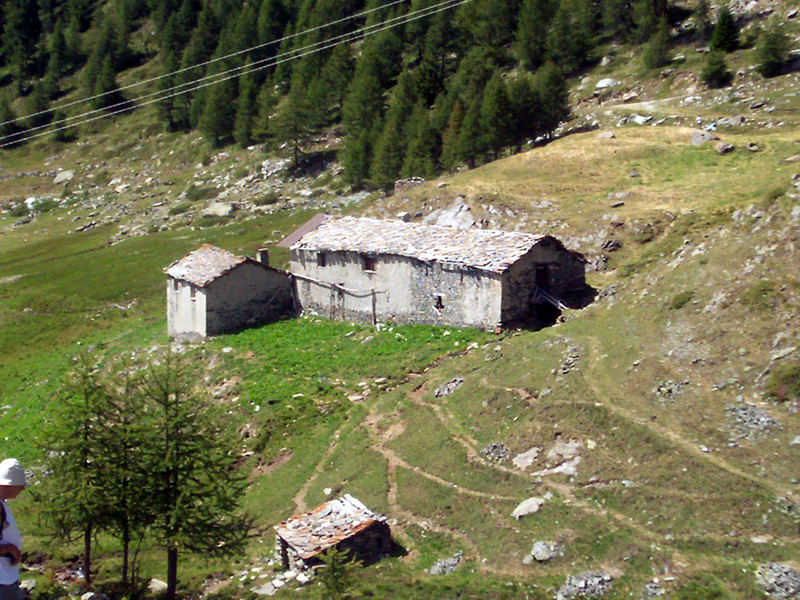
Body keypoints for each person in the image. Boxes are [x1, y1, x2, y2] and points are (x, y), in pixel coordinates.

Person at [0, 459, 27, 600]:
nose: (22, 489)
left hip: (7, 578)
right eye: (19, 485)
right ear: (9, 485)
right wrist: (10, 549)